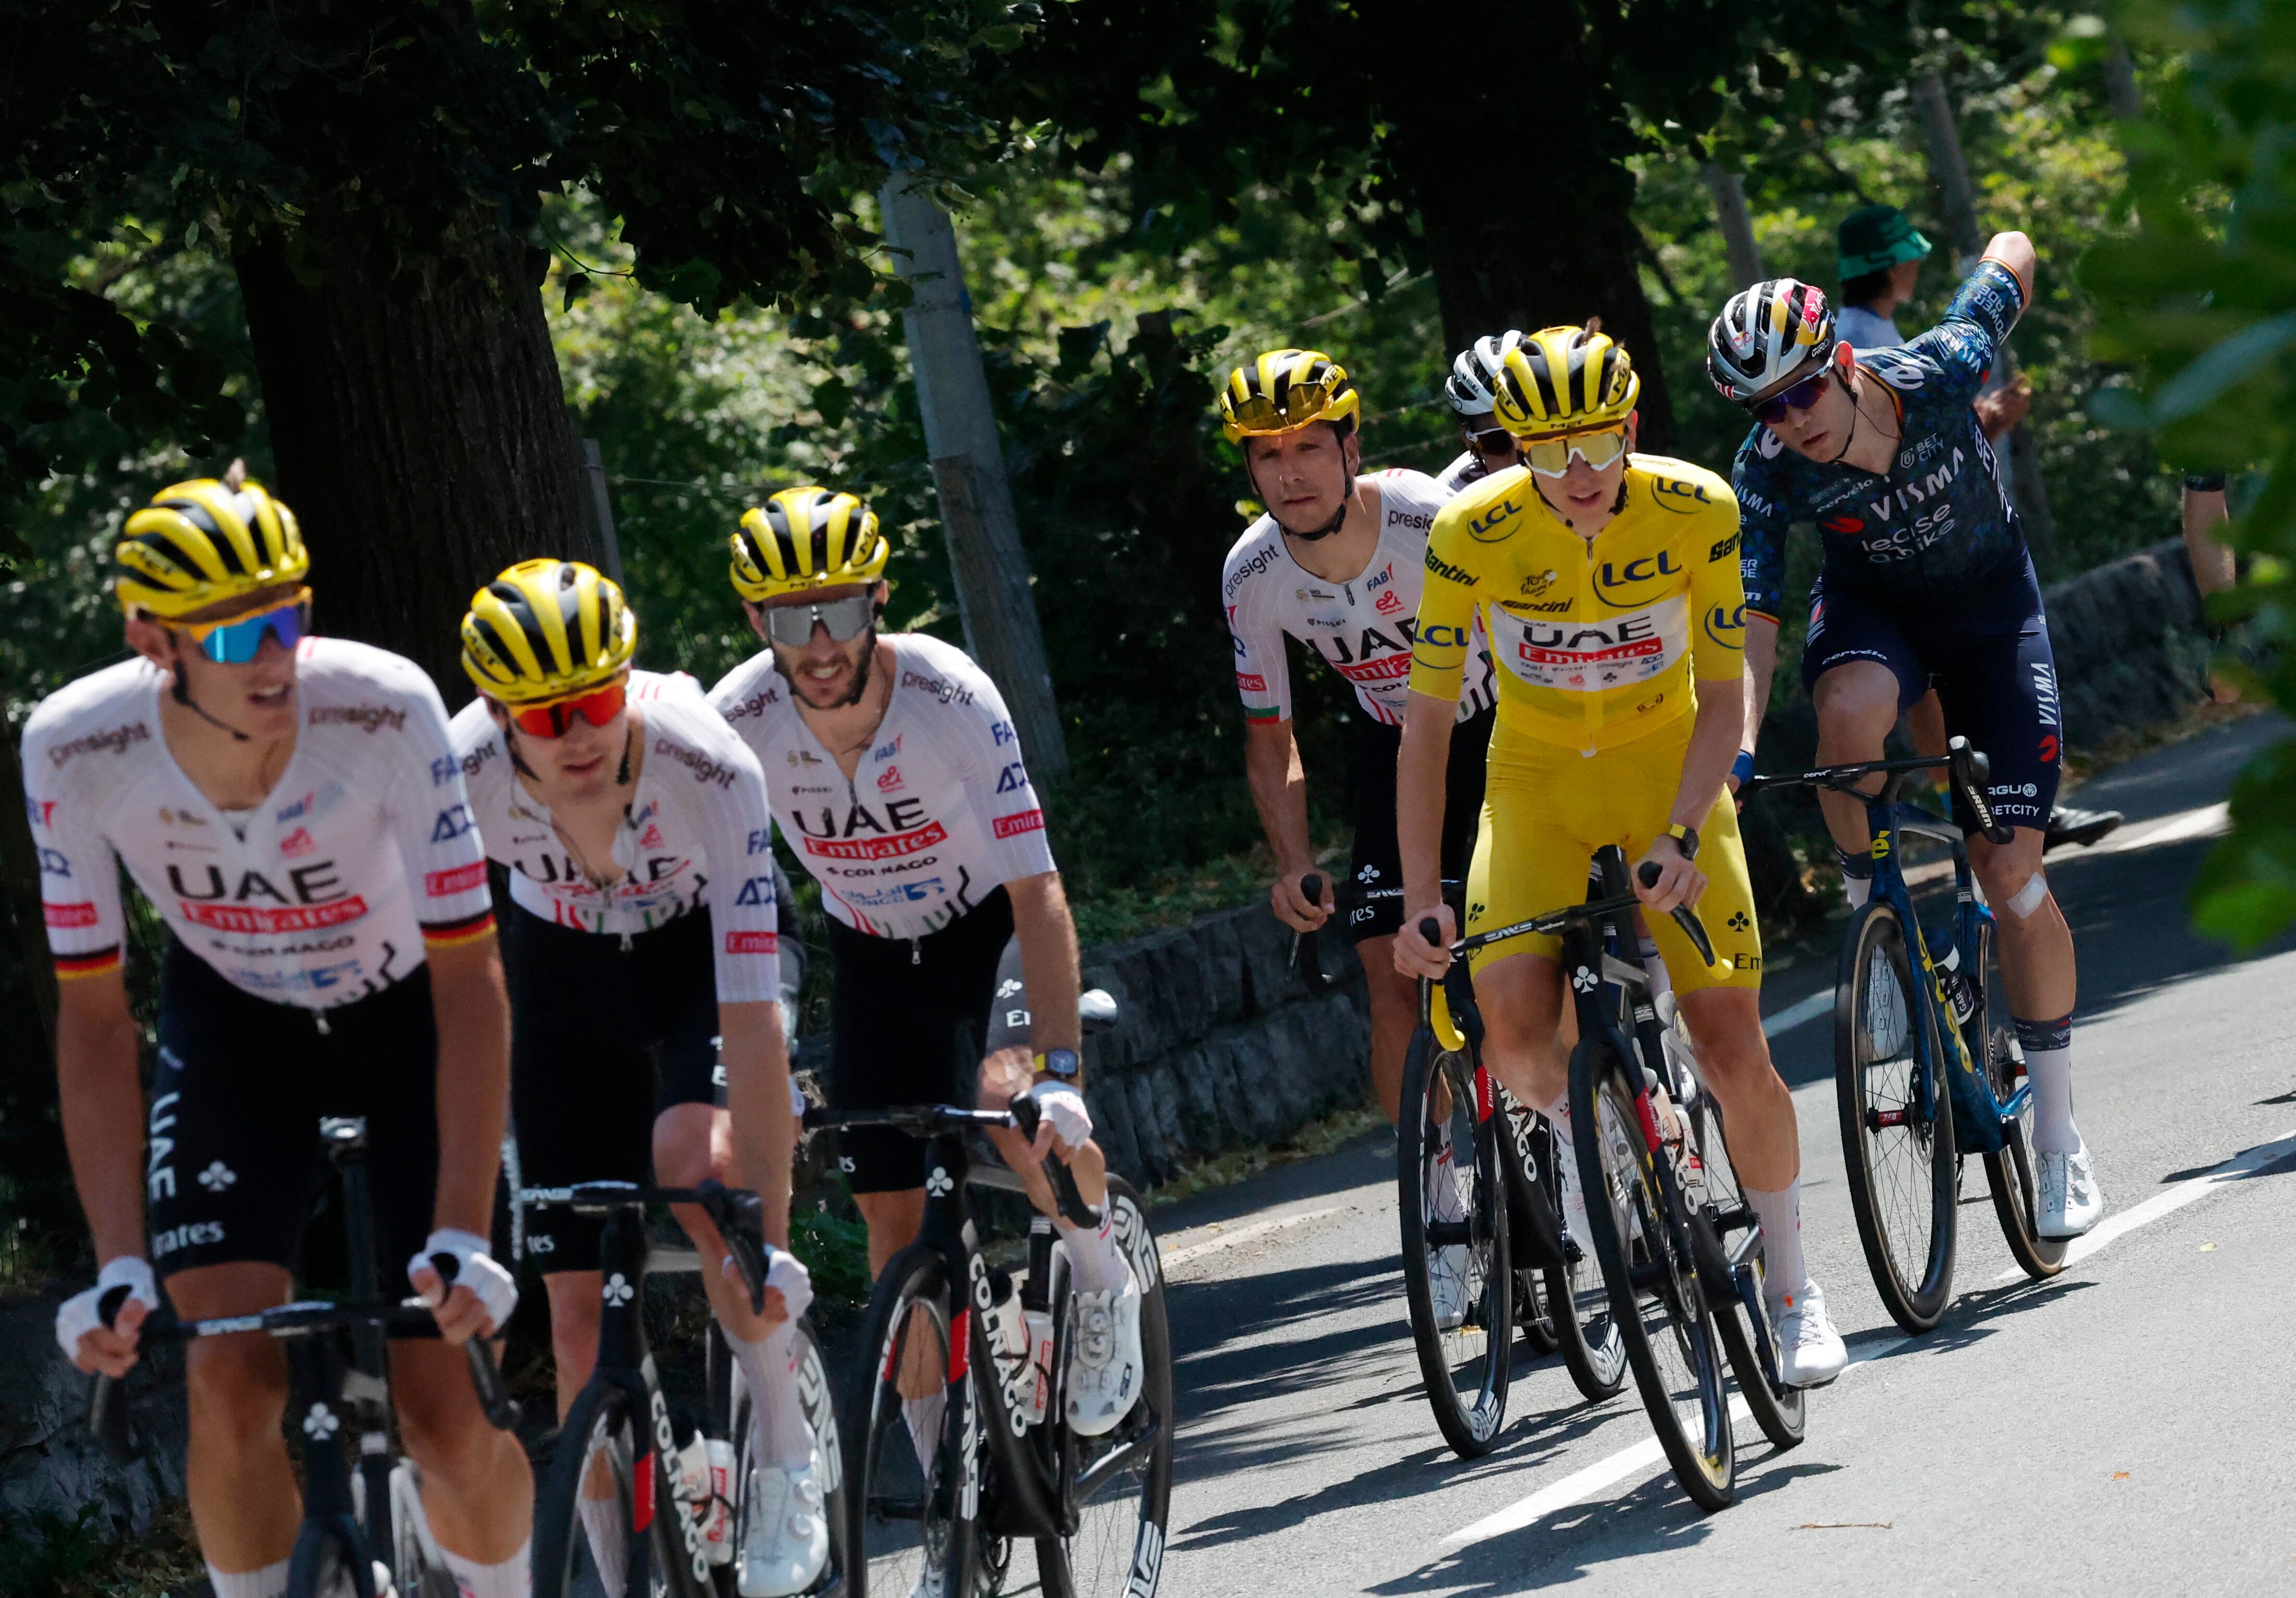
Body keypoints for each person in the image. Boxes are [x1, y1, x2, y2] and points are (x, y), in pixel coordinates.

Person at [30, 472, 533, 1598]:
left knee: (444, 1409)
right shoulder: (73, 749)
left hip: (408, 1016)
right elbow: (98, 1023)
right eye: (242, 631)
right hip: (238, 1026)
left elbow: (470, 979)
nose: (276, 657)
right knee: (225, 1378)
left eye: (292, 616)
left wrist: (462, 1233)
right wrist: (120, 1259)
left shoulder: (383, 706)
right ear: (155, 641)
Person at [1391, 322, 1848, 1388]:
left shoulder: (1698, 507)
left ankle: (1790, 1286)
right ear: (1512, 447)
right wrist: (1422, 893)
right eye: (1546, 451)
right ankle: (1607, 1175)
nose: (1577, 474)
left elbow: (1725, 693)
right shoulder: (1470, 530)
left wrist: (1688, 832)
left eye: (1596, 445)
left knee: (1732, 1044)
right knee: (1509, 1034)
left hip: (1662, 772)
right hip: (1534, 783)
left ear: (1630, 428)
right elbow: (1422, 723)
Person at [708, 487, 1145, 1455]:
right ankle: (944, 1464)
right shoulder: (734, 719)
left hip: (989, 932)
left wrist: (1061, 1074)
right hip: (870, 950)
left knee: (1015, 1104)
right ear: (755, 621)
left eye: (842, 611)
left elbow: (1038, 889)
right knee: (889, 1217)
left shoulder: (950, 695)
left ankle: (1101, 1273)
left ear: (879, 601)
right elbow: (710, 893)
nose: (819, 643)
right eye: (791, 618)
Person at [1711, 244, 2106, 1240]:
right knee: (1846, 709)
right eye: (1766, 409)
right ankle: (1872, 920)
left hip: (1988, 613)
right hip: (1874, 613)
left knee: (2011, 872)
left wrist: (2012, 246)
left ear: (1838, 361)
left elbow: (2011, 258)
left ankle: (2058, 1137)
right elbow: (1752, 624)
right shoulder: (1764, 474)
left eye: (1800, 391)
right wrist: (1740, 746)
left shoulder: (1938, 368)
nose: (1791, 421)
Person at [449, 559, 822, 1597]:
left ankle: (787, 1456)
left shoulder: (709, 763)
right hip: (563, 965)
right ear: (496, 711)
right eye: (546, 714)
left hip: (702, 955)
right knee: (572, 1309)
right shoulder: (455, 773)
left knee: (694, 1165)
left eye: (598, 702)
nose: (576, 734)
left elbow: (749, 1016)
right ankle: (622, 1577)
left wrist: (772, 1233)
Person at [1217, 348, 1497, 1136]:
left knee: (1516, 948)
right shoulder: (1252, 574)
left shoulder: (1427, 518)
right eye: (1266, 454)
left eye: (1307, 445)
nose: (1288, 472)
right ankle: (1440, 1192)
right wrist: (1294, 862)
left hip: (1502, 726)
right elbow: (1270, 733)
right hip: (1397, 742)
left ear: (1350, 448)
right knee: (1387, 966)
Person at [1833, 205, 2119, 852]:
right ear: (1890, 265)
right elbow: (1893, 459)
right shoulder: (1864, 338)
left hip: (1911, 542)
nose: (1917, 262)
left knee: (1939, 701)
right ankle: (1993, 820)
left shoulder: (1870, 328)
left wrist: (1982, 418)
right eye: (1909, 254)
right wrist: (1984, 424)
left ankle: (1998, 816)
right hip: (1913, 550)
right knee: (1947, 693)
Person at [1435, 331, 1533, 494]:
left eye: (1534, 435)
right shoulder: (1451, 497)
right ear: (1470, 442)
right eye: (1497, 442)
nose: (1520, 458)